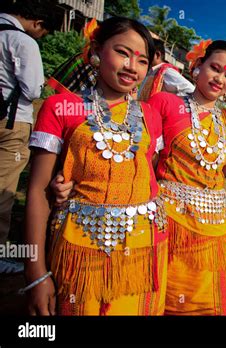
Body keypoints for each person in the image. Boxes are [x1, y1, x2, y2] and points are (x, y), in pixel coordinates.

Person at [24, 17, 168, 316]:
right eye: (122, 52)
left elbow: (145, 176)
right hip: (82, 248)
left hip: (145, 248)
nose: (132, 66)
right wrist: (36, 273)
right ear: (96, 51)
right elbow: (37, 190)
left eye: (142, 60)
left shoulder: (151, 115)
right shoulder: (61, 107)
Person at [147, 39, 226, 315]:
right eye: (215, 68)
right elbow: (146, 158)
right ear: (197, 66)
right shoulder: (164, 103)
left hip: (215, 231)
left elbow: (224, 169)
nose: (220, 79)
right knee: (167, 298)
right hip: (171, 224)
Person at [0, 0, 56, 274]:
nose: (40, 36)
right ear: (37, 23)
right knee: (4, 188)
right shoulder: (22, 42)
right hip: (11, 123)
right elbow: (33, 89)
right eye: (43, 32)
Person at [137, 34, 195, 101]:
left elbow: (190, 90)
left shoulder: (166, 72)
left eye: (146, 53)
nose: (143, 56)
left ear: (157, 55)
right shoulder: (152, 71)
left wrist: (167, 104)